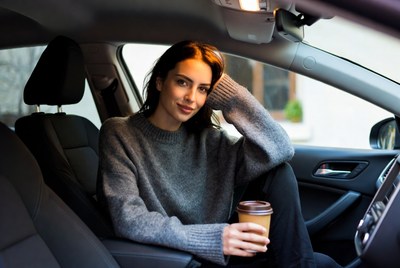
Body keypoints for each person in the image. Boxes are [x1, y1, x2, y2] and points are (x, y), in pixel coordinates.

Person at [97, 40, 341, 267]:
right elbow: (129, 218)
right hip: (179, 257)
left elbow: (279, 149)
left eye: (202, 89)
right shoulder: (120, 133)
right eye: (182, 82)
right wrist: (214, 238)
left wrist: (228, 95)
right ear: (160, 82)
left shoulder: (209, 140)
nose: (191, 98)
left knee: (282, 177)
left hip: (226, 250)